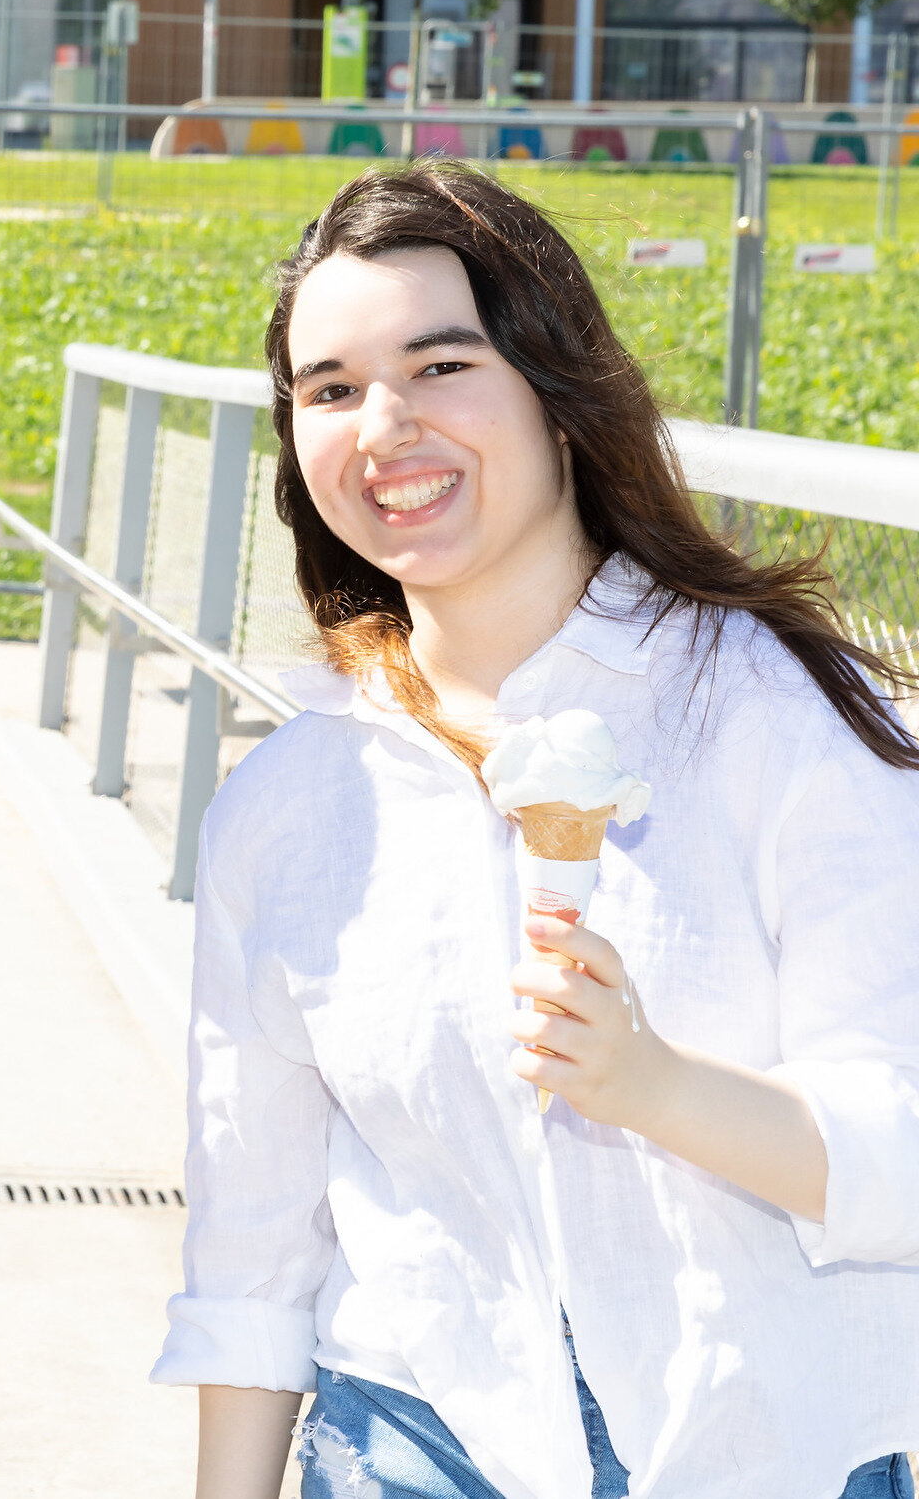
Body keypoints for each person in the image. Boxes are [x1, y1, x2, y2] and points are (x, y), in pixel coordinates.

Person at [160, 163, 919, 1499]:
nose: (383, 424)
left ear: (556, 392)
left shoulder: (773, 713)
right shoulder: (288, 802)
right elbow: (254, 1244)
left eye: (440, 363)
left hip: (759, 1441)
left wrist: (656, 1086)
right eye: (330, 388)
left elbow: (898, 1149)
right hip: (412, 1430)